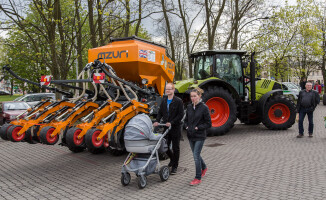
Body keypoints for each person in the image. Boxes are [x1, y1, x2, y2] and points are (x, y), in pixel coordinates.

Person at [153, 83, 184, 175]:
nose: (168, 91)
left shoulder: (178, 101)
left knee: (175, 148)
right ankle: (173, 159)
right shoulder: (164, 100)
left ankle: (175, 166)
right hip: (166, 128)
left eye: (169, 89)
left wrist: (172, 122)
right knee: (165, 146)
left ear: (173, 90)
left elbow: (180, 115)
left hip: (175, 128)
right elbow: (160, 113)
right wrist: (157, 121)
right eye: (166, 89)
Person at [184, 88, 211, 186]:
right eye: (191, 96)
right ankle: (204, 167)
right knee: (197, 155)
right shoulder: (189, 107)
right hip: (190, 135)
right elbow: (186, 120)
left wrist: (197, 127)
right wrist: (186, 126)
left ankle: (197, 177)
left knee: (195, 156)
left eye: (195, 96)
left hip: (200, 135)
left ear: (199, 96)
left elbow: (208, 124)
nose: (193, 98)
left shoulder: (204, 108)